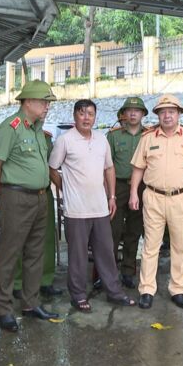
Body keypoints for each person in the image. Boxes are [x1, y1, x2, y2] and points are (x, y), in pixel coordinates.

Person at [49, 99, 135, 312]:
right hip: (76, 210)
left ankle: (114, 292)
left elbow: (109, 169)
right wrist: (66, 188)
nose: (86, 117)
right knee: (77, 256)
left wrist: (112, 196)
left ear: (95, 117)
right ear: (75, 116)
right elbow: (52, 169)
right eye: (81, 113)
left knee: (106, 252)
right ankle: (78, 296)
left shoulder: (101, 139)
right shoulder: (65, 140)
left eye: (90, 113)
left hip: (100, 207)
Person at [0, 80, 59, 332]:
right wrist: (3, 193)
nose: (47, 107)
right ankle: (4, 309)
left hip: (40, 198)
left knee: (35, 253)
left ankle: (31, 303)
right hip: (16, 198)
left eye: (48, 102)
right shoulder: (11, 127)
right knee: (9, 254)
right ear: (28, 102)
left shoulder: (38, 129)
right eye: (43, 102)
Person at [129, 94, 183, 310]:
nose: (167, 115)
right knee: (150, 246)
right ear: (157, 115)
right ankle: (146, 289)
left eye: (171, 111)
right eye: (162, 112)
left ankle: (178, 289)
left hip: (181, 198)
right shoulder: (148, 138)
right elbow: (138, 168)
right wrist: (133, 194)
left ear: (179, 114)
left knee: (180, 246)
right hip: (153, 197)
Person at [11, 130, 63, 300]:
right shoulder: (14, 133)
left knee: (47, 238)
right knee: (19, 239)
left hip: (44, 192)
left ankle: (45, 280)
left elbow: (52, 167)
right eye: (41, 105)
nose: (45, 109)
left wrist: (65, 189)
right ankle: (18, 283)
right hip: (21, 193)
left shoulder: (46, 138)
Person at [106, 97, 149, 289]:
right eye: (129, 110)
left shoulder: (149, 135)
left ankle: (128, 271)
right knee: (112, 231)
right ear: (124, 114)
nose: (133, 114)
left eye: (137, 110)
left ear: (142, 114)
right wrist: (109, 193)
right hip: (119, 186)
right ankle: (109, 272)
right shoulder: (114, 136)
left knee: (134, 230)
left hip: (141, 188)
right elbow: (107, 165)